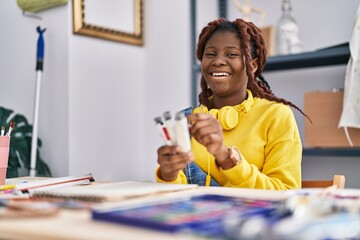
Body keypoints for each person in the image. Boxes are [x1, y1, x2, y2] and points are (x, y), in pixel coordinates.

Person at [156, 18, 307, 190]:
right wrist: (168, 175)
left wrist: (226, 157)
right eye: (210, 54)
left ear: (253, 65)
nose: (218, 61)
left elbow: (286, 192)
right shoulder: (186, 120)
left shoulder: (276, 115)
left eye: (231, 54)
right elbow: (175, 196)